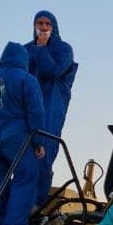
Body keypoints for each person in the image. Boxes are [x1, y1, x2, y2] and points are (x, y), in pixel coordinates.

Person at [0, 42, 45, 225]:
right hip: (18, 134)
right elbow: (35, 111)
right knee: (25, 177)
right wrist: (38, 141)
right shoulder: (26, 79)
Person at [25, 10, 77, 205]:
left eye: (47, 23)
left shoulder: (64, 50)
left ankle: (37, 205)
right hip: (26, 110)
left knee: (43, 157)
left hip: (50, 110)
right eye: (39, 23)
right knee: (18, 158)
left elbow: (53, 71)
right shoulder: (25, 49)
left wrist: (41, 49)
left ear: (53, 26)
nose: (43, 27)